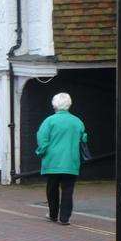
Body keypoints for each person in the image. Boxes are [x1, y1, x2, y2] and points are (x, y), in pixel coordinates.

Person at [36, 92, 88, 226]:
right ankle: (64, 218)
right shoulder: (77, 122)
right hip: (71, 161)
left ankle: (53, 214)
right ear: (69, 104)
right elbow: (84, 139)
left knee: (52, 188)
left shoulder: (49, 121)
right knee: (68, 190)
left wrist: (40, 152)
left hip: (52, 161)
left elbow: (42, 139)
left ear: (55, 105)